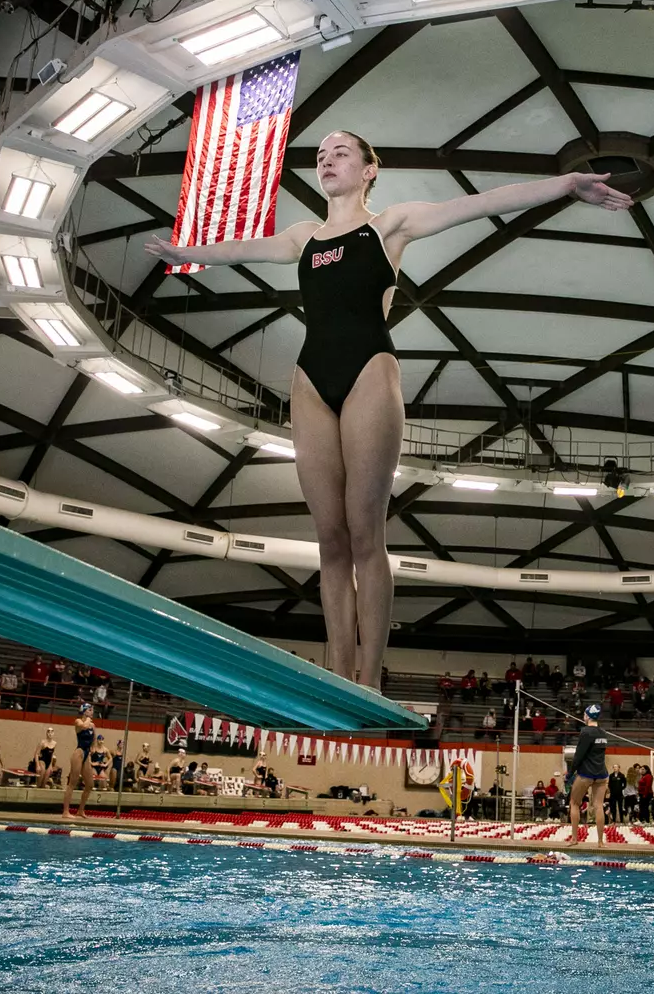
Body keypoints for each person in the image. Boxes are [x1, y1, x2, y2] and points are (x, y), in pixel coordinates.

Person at [148, 138, 629, 685]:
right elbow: (242, 250)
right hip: (310, 379)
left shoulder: (389, 226)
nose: (327, 158)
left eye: (341, 152)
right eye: (322, 153)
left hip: (369, 372)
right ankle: (337, 672)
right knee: (329, 538)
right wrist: (185, 254)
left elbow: (482, 203)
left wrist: (566, 185)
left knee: (363, 532)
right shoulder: (303, 237)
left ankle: (369, 676)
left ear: (369, 170)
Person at [566, 705, 611, 845]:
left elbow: (578, 755)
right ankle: (600, 842)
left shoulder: (586, 732)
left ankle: (574, 839)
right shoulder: (603, 733)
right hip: (602, 774)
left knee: (574, 803)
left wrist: (569, 774)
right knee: (599, 806)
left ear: (587, 716)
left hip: (586, 774)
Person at [62, 703, 97, 819]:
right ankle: (66, 812)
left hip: (87, 755)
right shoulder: (78, 721)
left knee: (90, 784)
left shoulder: (93, 725)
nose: (92, 712)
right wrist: (87, 719)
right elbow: (84, 727)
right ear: (85, 711)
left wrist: (93, 749)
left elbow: (94, 740)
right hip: (79, 753)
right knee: (73, 782)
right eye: (90, 710)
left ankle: (80, 810)